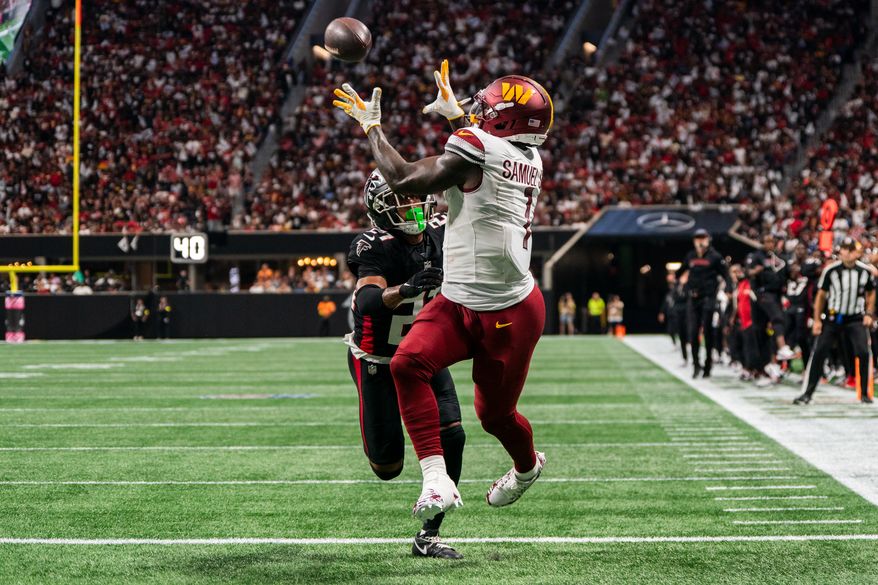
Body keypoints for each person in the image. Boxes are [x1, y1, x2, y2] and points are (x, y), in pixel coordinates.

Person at [333, 60, 552, 520]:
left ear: (505, 119)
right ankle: (436, 479)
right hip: (459, 299)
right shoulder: (528, 153)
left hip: (507, 311)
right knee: (408, 363)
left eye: (487, 106)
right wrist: (454, 117)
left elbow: (407, 179)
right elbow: (482, 163)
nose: (478, 109)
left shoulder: (478, 146)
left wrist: (372, 129)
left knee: (495, 417)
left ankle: (528, 469)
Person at [344, 169, 466, 559]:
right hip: (377, 358)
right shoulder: (373, 245)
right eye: (403, 200)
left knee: (454, 435)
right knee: (388, 467)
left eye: (415, 198)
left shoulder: (438, 233)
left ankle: (428, 535)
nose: (413, 206)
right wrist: (406, 290)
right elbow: (365, 302)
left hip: (423, 351)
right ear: (381, 210)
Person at [795, 238, 876, 405]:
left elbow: (871, 292)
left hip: (855, 317)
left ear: (856, 252)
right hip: (833, 318)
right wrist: (817, 320)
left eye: (849, 249)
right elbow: (821, 296)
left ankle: (865, 394)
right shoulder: (831, 270)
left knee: (863, 351)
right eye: (844, 249)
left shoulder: (864, 271)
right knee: (819, 352)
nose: (844, 252)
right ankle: (807, 392)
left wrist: (869, 312)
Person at [677, 229, 732, 378]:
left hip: (708, 298)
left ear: (708, 239)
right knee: (693, 332)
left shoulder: (715, 256)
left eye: (702, 238)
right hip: (693, 299)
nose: (700, 241)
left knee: (708, 332)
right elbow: (680, 271)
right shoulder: (690, 256)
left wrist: (728, 289)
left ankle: (708, 365)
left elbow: (726, 275)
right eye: (697, 238)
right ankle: (696, 365)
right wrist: (683, 284)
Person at [748, 234, 796, 361]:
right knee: (777, 318)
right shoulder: (757, 256)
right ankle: (782, 347)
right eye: (767, 241)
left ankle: (771, 362)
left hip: (777, 294)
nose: (769, 244)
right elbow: (749, 272)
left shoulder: (780, 257)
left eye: (771, 241)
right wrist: (755, 271)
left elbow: (788, 274)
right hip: (764, 293)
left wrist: (793, 273)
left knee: (772, 327)